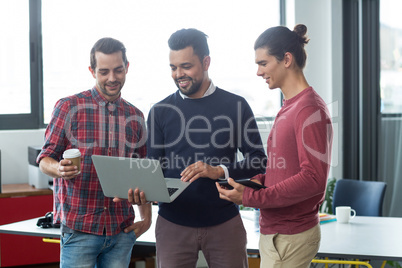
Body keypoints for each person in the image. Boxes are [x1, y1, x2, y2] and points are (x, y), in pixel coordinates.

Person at [129, 28, 266, 268]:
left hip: (225, 222)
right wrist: (136, 191)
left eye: (186, 66)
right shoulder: (160, 111)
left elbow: (258, 161)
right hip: (173, 224)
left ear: (206, 62)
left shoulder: (236, 105)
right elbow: (152, 169)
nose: (178, 74)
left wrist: (218, 171)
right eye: (173, 68)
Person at [217, 24, 333, 268]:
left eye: (263, 63)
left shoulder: (309, 109)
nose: (259, 71)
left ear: (287, 59)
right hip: (278, 234)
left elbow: (313, 178)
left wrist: (250, 196)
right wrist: (261, 180)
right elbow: (286, 169)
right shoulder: (290, 105)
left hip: (290, 236)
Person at [37, 37, 152, 268]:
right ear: (92, 71)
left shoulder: (136, 116)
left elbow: (141, 172)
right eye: (104, 72)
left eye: (118, 70)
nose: (112, 78)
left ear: (127, 67)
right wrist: (58, 168)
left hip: (121, 230)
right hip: (80, 230)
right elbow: (44, 158)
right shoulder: (69, 107)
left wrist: (146, 219)